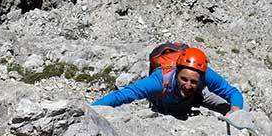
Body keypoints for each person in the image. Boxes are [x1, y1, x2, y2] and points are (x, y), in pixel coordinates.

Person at [92, 47, 244, 117]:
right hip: (164, 102)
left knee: (240, 109)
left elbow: (232, 92)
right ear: (176, 72)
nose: (188, 84)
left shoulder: (205, 75)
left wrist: (236, 110)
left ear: (201, 79)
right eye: (184, 79)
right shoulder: (158, 81)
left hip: (194, 98)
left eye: (193, 81)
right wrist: (90, 110)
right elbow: (123, 95)